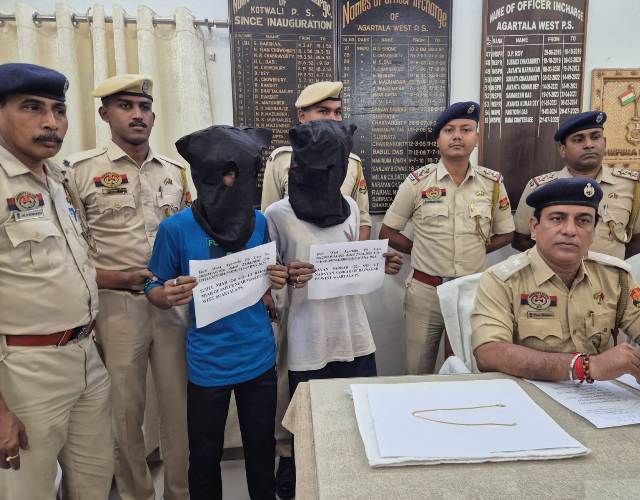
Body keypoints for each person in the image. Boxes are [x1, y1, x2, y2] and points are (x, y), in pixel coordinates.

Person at [145, 125, 289, 500]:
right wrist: (165, 295)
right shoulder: (175, 229)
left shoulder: (259, 222)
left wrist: (275, 278)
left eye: (243, 172)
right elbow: (152, 285)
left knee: (261, 450)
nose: (235, 182)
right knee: (205, 456)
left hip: (258, 355)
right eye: (227, 173)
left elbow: (267, 275)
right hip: (208, 361)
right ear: (206, 175)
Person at [65, 74, 190, 500]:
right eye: (125, 106)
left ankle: (179, 492)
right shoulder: (79, 172)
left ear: (154, 115)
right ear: (105, 114)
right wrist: (116, 279)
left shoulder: (176, 171)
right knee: (124, 413)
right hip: (118, 306)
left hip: (171, 305)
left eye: (144, 107)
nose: (137, 115)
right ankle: (138, 494)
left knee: (179, 408)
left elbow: (187, 237)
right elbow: (71, 253)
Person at [264, 119, 402, 497]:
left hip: (351, 331)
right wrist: (286, 276)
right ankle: (294, 473)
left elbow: (349, 262)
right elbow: (268, 278)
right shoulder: (277, 214)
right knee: (302, 418)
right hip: (305, 334)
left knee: (355, 412)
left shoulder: (350, 209)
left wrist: (379, 262)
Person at [0, 62, 113, 499]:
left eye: (58, 110)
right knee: (27, 490)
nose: (51, 122)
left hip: (85, 359)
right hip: (25, 373)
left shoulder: (58, 179)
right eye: (32, 107)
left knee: (94, 482)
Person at [472, 177, 640, 385]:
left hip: (601, 397)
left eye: (583, 221)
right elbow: (489, 353)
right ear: (534, 228)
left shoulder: (615, 277)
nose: (570, 230)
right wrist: (585, 366)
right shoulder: (502, 280)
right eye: (557, 218)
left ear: (593, 231)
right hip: (530, 394)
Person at [379, 101, 515, 375]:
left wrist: (476, 248)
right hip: (426, 292)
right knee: (418, 370)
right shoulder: (417, 182)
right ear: (438, 140)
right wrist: (422, 249)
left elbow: (506, 233)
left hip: (470, 292)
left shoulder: (492, 184)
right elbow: (388, 232)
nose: (457, 136)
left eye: (466, 129)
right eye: (449, 130)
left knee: (465, 369)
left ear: (477, 138)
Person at [512, 111, 640, 260]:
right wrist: (557, 263)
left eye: (595, 137)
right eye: (578, 139)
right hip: (556, 274)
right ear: (563, 150)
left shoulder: (630, 185)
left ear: (605, 143)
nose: (589, 145)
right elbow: (520, 239)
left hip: (608, 275)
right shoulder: (540, 187)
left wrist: (607, 265)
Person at [261, 81, 371, 240]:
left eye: (338, 112)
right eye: (323, 111)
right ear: (302, 116)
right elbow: (268, 220)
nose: (333, 119)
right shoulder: (281, 160)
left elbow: (362, 220)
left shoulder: (352, 164)